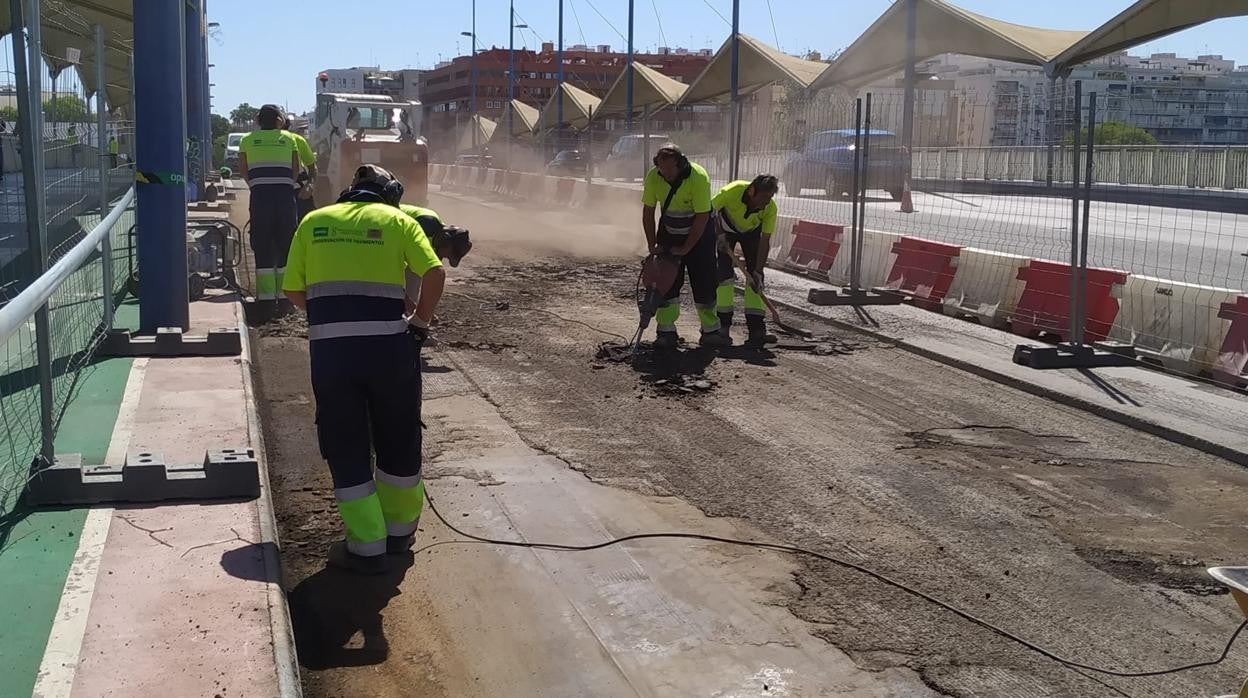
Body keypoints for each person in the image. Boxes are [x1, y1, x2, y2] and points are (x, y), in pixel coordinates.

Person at [282, 164, 446, 575]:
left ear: (349, 192)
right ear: (389, 195)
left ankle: (366, 544)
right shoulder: (399, 220)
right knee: (399, 435)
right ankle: (399, 534)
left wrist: (330, 318)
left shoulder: (313, 221)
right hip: (390, 349)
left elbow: (292, 290)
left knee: (345, 441)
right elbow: (435, 273)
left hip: (332, 353)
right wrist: (419, 325)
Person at [641, 144, 725, 349]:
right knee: (665, 283)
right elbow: (648, 212)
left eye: (670, 169)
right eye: (662, 169)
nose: (666, 173)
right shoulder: (654, 176)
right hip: (669, 234)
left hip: (699, 235)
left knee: (704, 281)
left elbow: (702, 216)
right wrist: (652, 246)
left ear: (681, 164)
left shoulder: (698, 177)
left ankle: (710, 330)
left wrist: (687, 248)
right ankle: (666, 331)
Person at [238, 104, 301, 309]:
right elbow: (295, 168)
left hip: (260, 197)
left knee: (262, 244)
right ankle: (285, 298)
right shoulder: (289, 139)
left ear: (257, 121)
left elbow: (243, 170)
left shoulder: (246, 140)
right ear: (279, 121)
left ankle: (265, 299)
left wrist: (256, 185)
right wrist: (287, 184)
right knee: (286, 244)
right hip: (284, 197)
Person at [713, 174, 780, 348]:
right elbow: (709, 211)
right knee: (724, 276)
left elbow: (765, 241)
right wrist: (719, 235)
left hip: (751, 234)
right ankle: (722, 325)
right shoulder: (731, 192)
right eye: (763, 197)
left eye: (770, 198)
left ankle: (757, 328)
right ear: (751, 191)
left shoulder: (770, 209)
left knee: (756, 280)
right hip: (725, 230)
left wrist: (758, 271)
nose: (766, 202)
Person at [279, 113, 317, 221]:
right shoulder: (261, 141)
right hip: (281, 192)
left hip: (298, 192)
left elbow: (312, 167)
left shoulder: (297, 140)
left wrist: (309, 185)